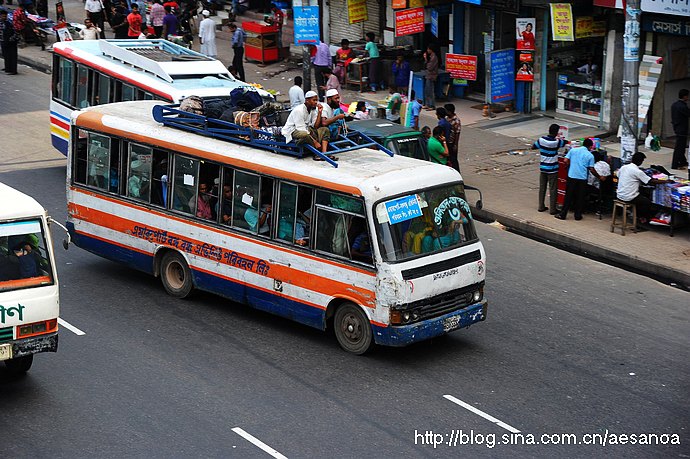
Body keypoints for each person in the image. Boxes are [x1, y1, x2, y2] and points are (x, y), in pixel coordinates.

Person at [556, 138, 603, 221]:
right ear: (590, 147)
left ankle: (563, 214)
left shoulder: (573, 150)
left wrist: (569, 166)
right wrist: (599, 177)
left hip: (572, 176)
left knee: (568, 196)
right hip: (582, 178)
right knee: (580, 197)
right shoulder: (590, 155)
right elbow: (591, 169)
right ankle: (577, 216)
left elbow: (565, 160)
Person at [281, 91, 332, 159]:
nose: (316, 102)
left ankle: (324, 153)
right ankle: (316, 153)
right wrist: (315, 142)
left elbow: (315, 126)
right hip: (293, 130)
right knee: (305, 134)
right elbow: (301, 129)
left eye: (316, 100)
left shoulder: (312, 110)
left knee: (325, 130)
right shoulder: (299, 110)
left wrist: (320, 112)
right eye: (314, 100)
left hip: (307, 129)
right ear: (307, 100)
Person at [616, 152, 665, 223]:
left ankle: (635, 214)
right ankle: (641, 218)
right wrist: (666, 181)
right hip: (629, 197)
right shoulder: (637, 171)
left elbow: (618, 175)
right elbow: (650, 181)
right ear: (640, 161)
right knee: (646, 202)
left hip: (619, 195)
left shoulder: (623, 167)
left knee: (640, 195)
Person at [532, 123, 567, 214]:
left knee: (542, 187)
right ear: (556, 133)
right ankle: (552, 209)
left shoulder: (541, 140)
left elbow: (533, 146)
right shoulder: (556, 142)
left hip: (543, 167)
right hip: (553, 169)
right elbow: (565, 142)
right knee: (553, 188)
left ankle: (541, 206)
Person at [671, 88, 690, 171]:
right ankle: (675, 164)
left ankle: (682, 161)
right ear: (685, 96)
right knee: (680, 147)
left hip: (676, 127)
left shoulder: (674, 104)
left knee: (681, 146)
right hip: (682, 128)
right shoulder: (682, 106)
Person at [0, 9, 18, 75]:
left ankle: (13, 70)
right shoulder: (1, 23)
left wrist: (11, 39)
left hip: (11, 42)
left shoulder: (9, 23)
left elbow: (14, 32)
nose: (4, 18)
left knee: (11, 56)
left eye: (5, 16)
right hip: (3, 41)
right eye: (2, 16)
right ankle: (7, 67)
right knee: (5, 55)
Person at [445, 103, 461, 172]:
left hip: (452, 142)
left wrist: (455, 144)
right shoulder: (446, 118)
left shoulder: (456, 120)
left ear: (449, 111)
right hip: (446, 141)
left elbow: (457, 133)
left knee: (453, 159)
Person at [423, 46, 439, 110]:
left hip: (431, 76)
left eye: (428, 49)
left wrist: (426, 59)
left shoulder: (434, 58)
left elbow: (430, 67)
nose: (427, 50)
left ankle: (432, 105)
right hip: (428, 75)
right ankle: (427, 104)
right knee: (427, 91)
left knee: (430, 91)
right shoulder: (431, 57)